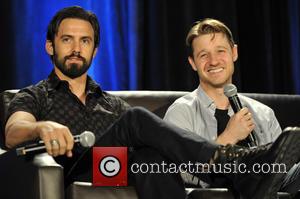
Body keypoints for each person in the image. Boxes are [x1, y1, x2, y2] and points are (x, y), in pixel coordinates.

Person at [4, 7, 300, 199]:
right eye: (67, 40)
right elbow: (14, 131)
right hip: (70, 169)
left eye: (85, 41)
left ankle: (236, 170)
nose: (76, 48)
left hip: (111, 168)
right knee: (137, 120)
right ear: (50, 46)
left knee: (151, 159)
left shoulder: (111, 103)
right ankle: (225, 162)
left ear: (95, 51)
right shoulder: (36, 94)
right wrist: (43, 127)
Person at [164, 18, 300, 194]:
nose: (214, 61)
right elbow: (176, 175)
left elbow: (284, 174)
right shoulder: (181, 112)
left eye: (220, 51)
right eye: (203, 55)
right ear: (193, 63)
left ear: (234, 53)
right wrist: (228, 137)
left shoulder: (263, 113)